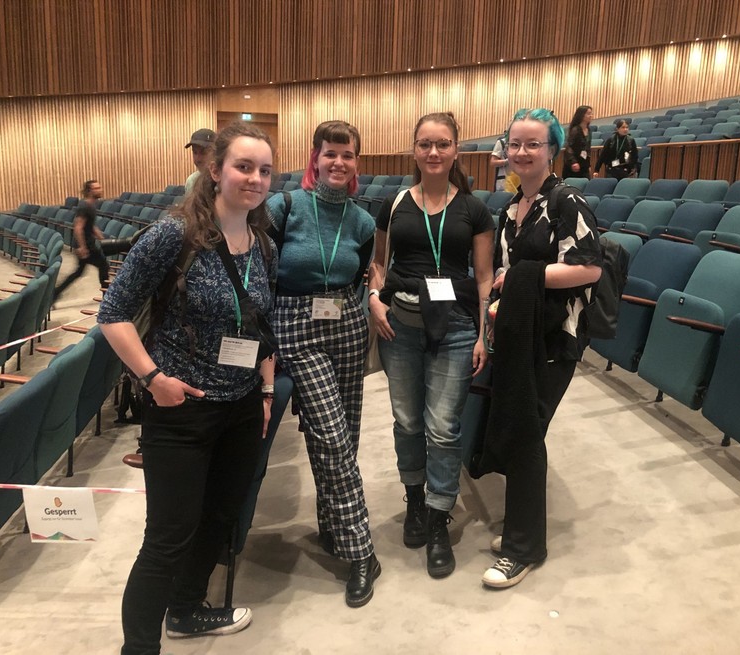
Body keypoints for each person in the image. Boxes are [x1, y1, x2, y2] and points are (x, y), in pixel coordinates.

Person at [97, 122, 277, 655]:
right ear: (216, 169)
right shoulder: (172, 235)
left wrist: (265, 393)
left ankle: (188, 610)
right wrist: (154, 380)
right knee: (167, 539)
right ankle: (139, 648)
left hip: (242, 406)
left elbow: (258, 327)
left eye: (265, 170)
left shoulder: (261, 239)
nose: (255, 178)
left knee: (218, 520)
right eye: (244, 166)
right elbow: (113, 315)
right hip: (182, 409)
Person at [476, 108, 602, 589]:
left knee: (526, 435)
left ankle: (524, 548)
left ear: (552, 149)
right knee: (516, 428)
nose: (522, 152)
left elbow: (589, 268)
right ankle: (519, 528)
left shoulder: (566, 201)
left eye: (533, 144)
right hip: (516, 335)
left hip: (553, 338)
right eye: (515, 143)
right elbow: (500, 281)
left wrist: (524, 275)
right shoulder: (510, 209)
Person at [367, 112, 494, 579]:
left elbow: (483, 278)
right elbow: (378, 265)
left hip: (457, 326)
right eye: (425, 144)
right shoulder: (395, 203)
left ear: (456, 150)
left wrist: (484, 334)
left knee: (443, 426)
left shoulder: (475, 210)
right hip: (399, 324)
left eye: (442, 144)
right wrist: (373, 301)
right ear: (414, 150)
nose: (433, 152)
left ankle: (440, 517)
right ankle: (415, 501)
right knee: (406, 420)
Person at [264, 120, 379, 607]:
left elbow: (363, 274)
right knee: (329, 434)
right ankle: (362, 551)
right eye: (330, 153)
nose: (339, 162)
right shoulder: (283, 206)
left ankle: (332, 523)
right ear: (315, 157)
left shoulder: (363, 221)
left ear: (356, 162)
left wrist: (365, 304)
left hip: (348, 325)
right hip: (295, 322)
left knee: (344, 434)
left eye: (347, 154)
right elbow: (260, 272)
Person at [53, 179, 109, 299]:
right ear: (89, 191)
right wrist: (82, 247)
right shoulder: (85, 206)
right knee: (104, 266)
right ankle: (107, 297)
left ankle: (55, 293)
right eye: (97, 188)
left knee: (79, 272)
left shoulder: (90, 205)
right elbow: (78, 227)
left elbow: (89, 225)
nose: (100, 190)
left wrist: (99, 235)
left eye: (100, 187)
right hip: (86, 245)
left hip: (86, 243)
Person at [562, 105, 594, 179]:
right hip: (574, 165)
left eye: (591, 113)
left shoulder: (588, 130)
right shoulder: (575, 130)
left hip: (584, 165)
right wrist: (573, 162)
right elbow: (569, 147)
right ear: (582, 115)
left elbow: (587, 149)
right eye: (588, 114)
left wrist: (588, 165)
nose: (591, 116)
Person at [184, 128, 216, 194]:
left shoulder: (226, 182)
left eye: (203, 152)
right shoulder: (192, 181)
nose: (198, 159)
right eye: (195, 152)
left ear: (215, 153)